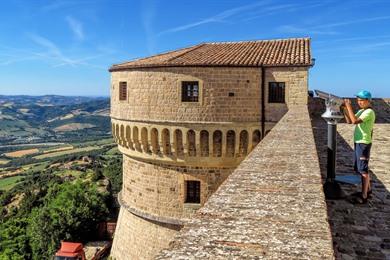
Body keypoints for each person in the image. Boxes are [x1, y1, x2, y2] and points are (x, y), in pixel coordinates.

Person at [342, 90, 376, 204]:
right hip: (358, 142)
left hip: (364, 143)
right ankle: (368, 189)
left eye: (361, 100)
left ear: (368, 101)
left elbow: (355, 121)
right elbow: (349, 121)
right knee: (360, 168)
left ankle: (364, 196)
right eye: (358, 100)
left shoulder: (369, 112)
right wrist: (344, 109)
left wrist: (348, 106)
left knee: (363, 170)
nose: (359, 102)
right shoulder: (362, 111)